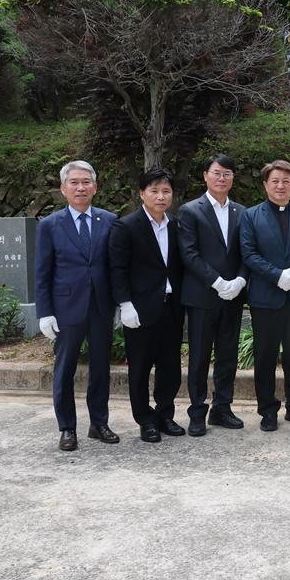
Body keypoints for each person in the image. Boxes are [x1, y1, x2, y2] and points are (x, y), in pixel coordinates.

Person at [34, 160, 119, 452]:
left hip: (101, 306)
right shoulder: (50, 225)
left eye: (86, 182)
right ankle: (67, 428)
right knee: (65, 368)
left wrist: (120, 303)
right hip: (66, 307)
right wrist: (44, 312)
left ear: (95, 187)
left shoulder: (109, 220)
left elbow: (115, 266)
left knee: (101, 367)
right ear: (63, 189)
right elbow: (42, 272)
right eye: (74, 182)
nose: (80, 187)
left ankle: (99, 423)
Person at [109, 167, 186, 443]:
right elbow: (117, 269)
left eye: (166, 191)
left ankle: (165, 414)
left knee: (170, 366)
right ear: (142, 193)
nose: (161, 196)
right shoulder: (126, 226)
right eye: (154, 191)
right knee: (140, 368)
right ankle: (145, 419)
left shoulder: (176, 225)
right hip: (140, 310)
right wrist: (125, 304)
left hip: (172, 306)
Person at [240, 160, 290, 432]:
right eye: (275, 181)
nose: (280, 186)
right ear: (265, 185)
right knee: (265, 356)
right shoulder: (250, 216)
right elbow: (248, 253)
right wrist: (276, 275)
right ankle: (268, 411)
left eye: (286, 181)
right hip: (265, 297)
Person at [178, 154, 249, 436]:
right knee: (198, 357)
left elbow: (247, 250)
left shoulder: (242, 212)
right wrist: (217, 282)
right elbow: (189, 253)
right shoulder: (190, 211)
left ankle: (222, 408)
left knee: (227, 355)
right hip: (202, 296)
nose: (222, 178)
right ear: (205, 175)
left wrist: (240, 280)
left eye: (227, 174)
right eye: (217, 173)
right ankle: (197, 412)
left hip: (233, 295)